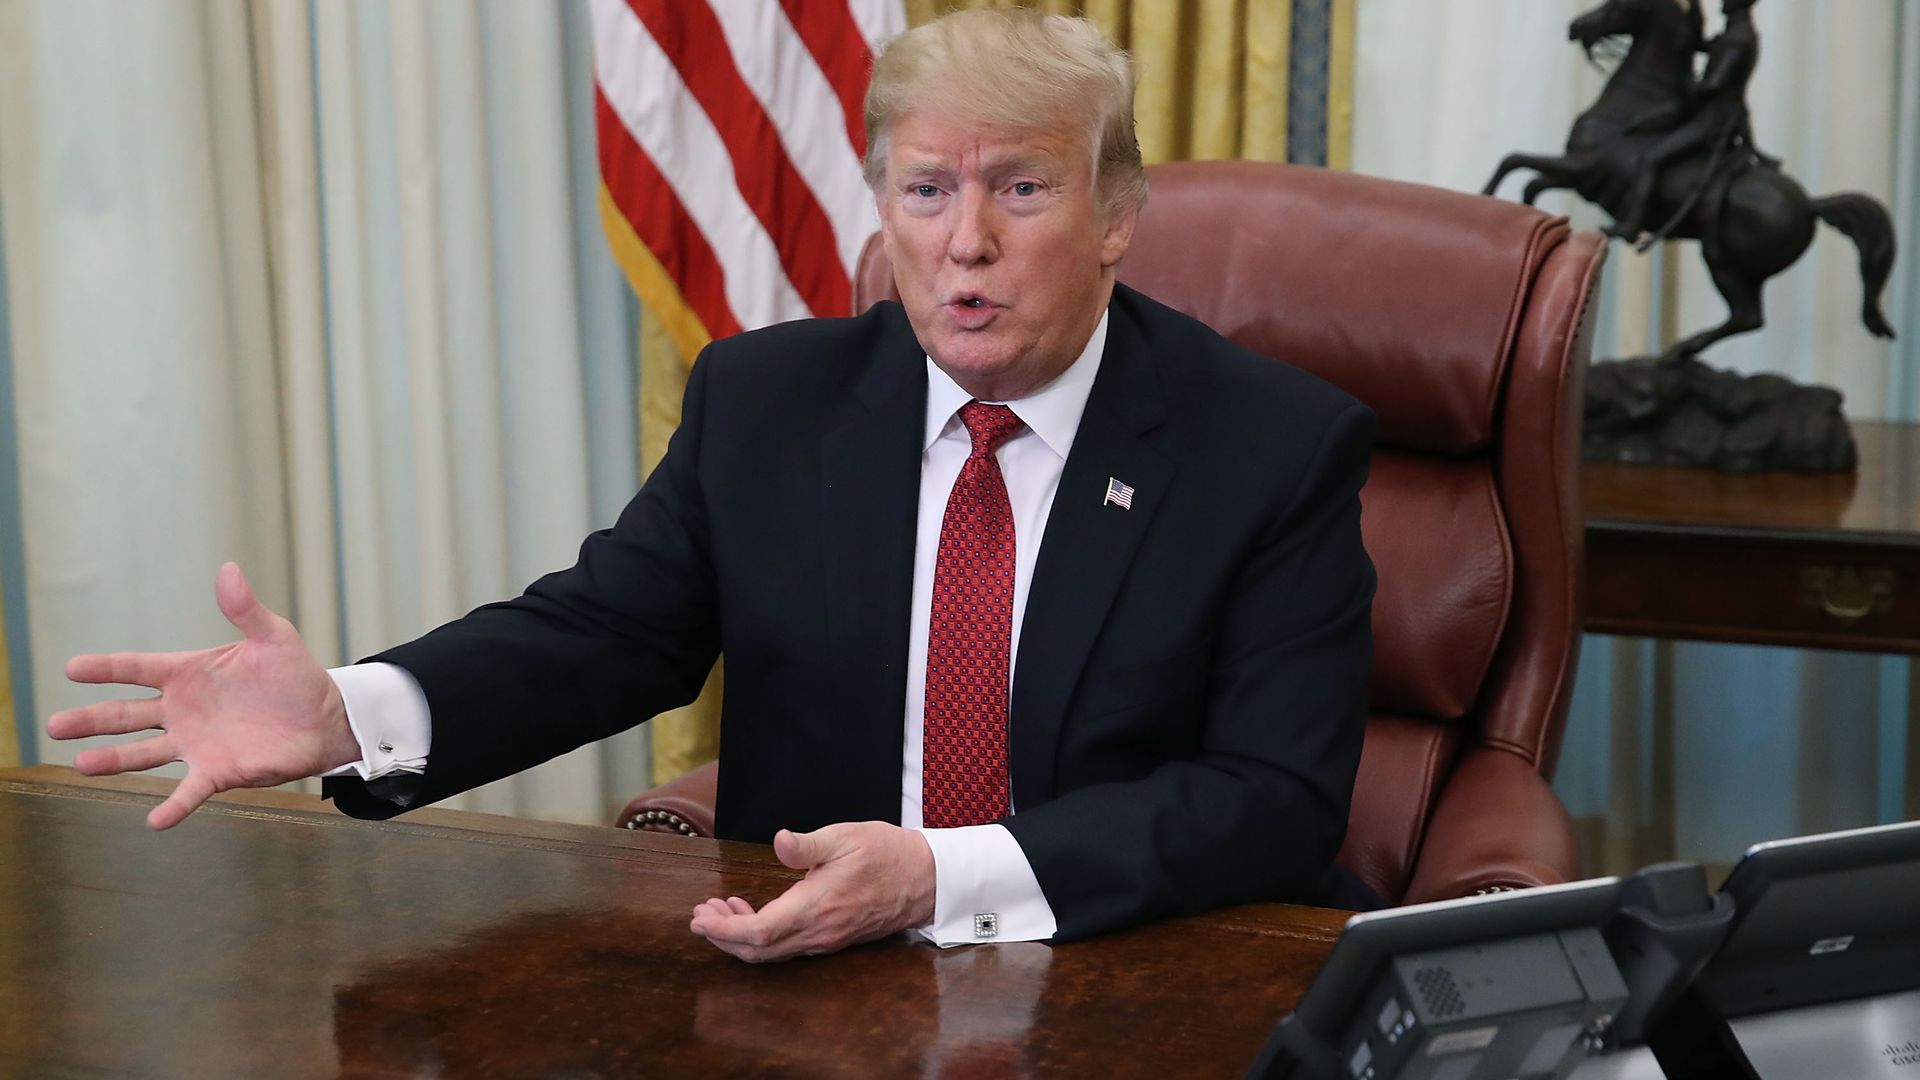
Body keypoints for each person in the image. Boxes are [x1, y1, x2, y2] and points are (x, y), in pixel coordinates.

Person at [47, 9, 1376, 963]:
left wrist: (937, 875)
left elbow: (1273, 797)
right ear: (881, 207)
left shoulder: (1269, 445)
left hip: (1131, 964)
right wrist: (349, 712)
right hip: (806, 977)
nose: (966, 241)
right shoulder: (768, 404)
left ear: (1118, 214)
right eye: (926, 190)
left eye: (1021, 189)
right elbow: (605, 634)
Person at [1612, 0, 1777, 245]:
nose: (1724, 3)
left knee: (1651, 160)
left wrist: (1683, 89)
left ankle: (1633, 224)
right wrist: (1694, 6)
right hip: (1709, 113)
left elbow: (1713, 85)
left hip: (1714, 120)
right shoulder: (1731, 33)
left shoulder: (1739, 38)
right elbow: (1700, 44)